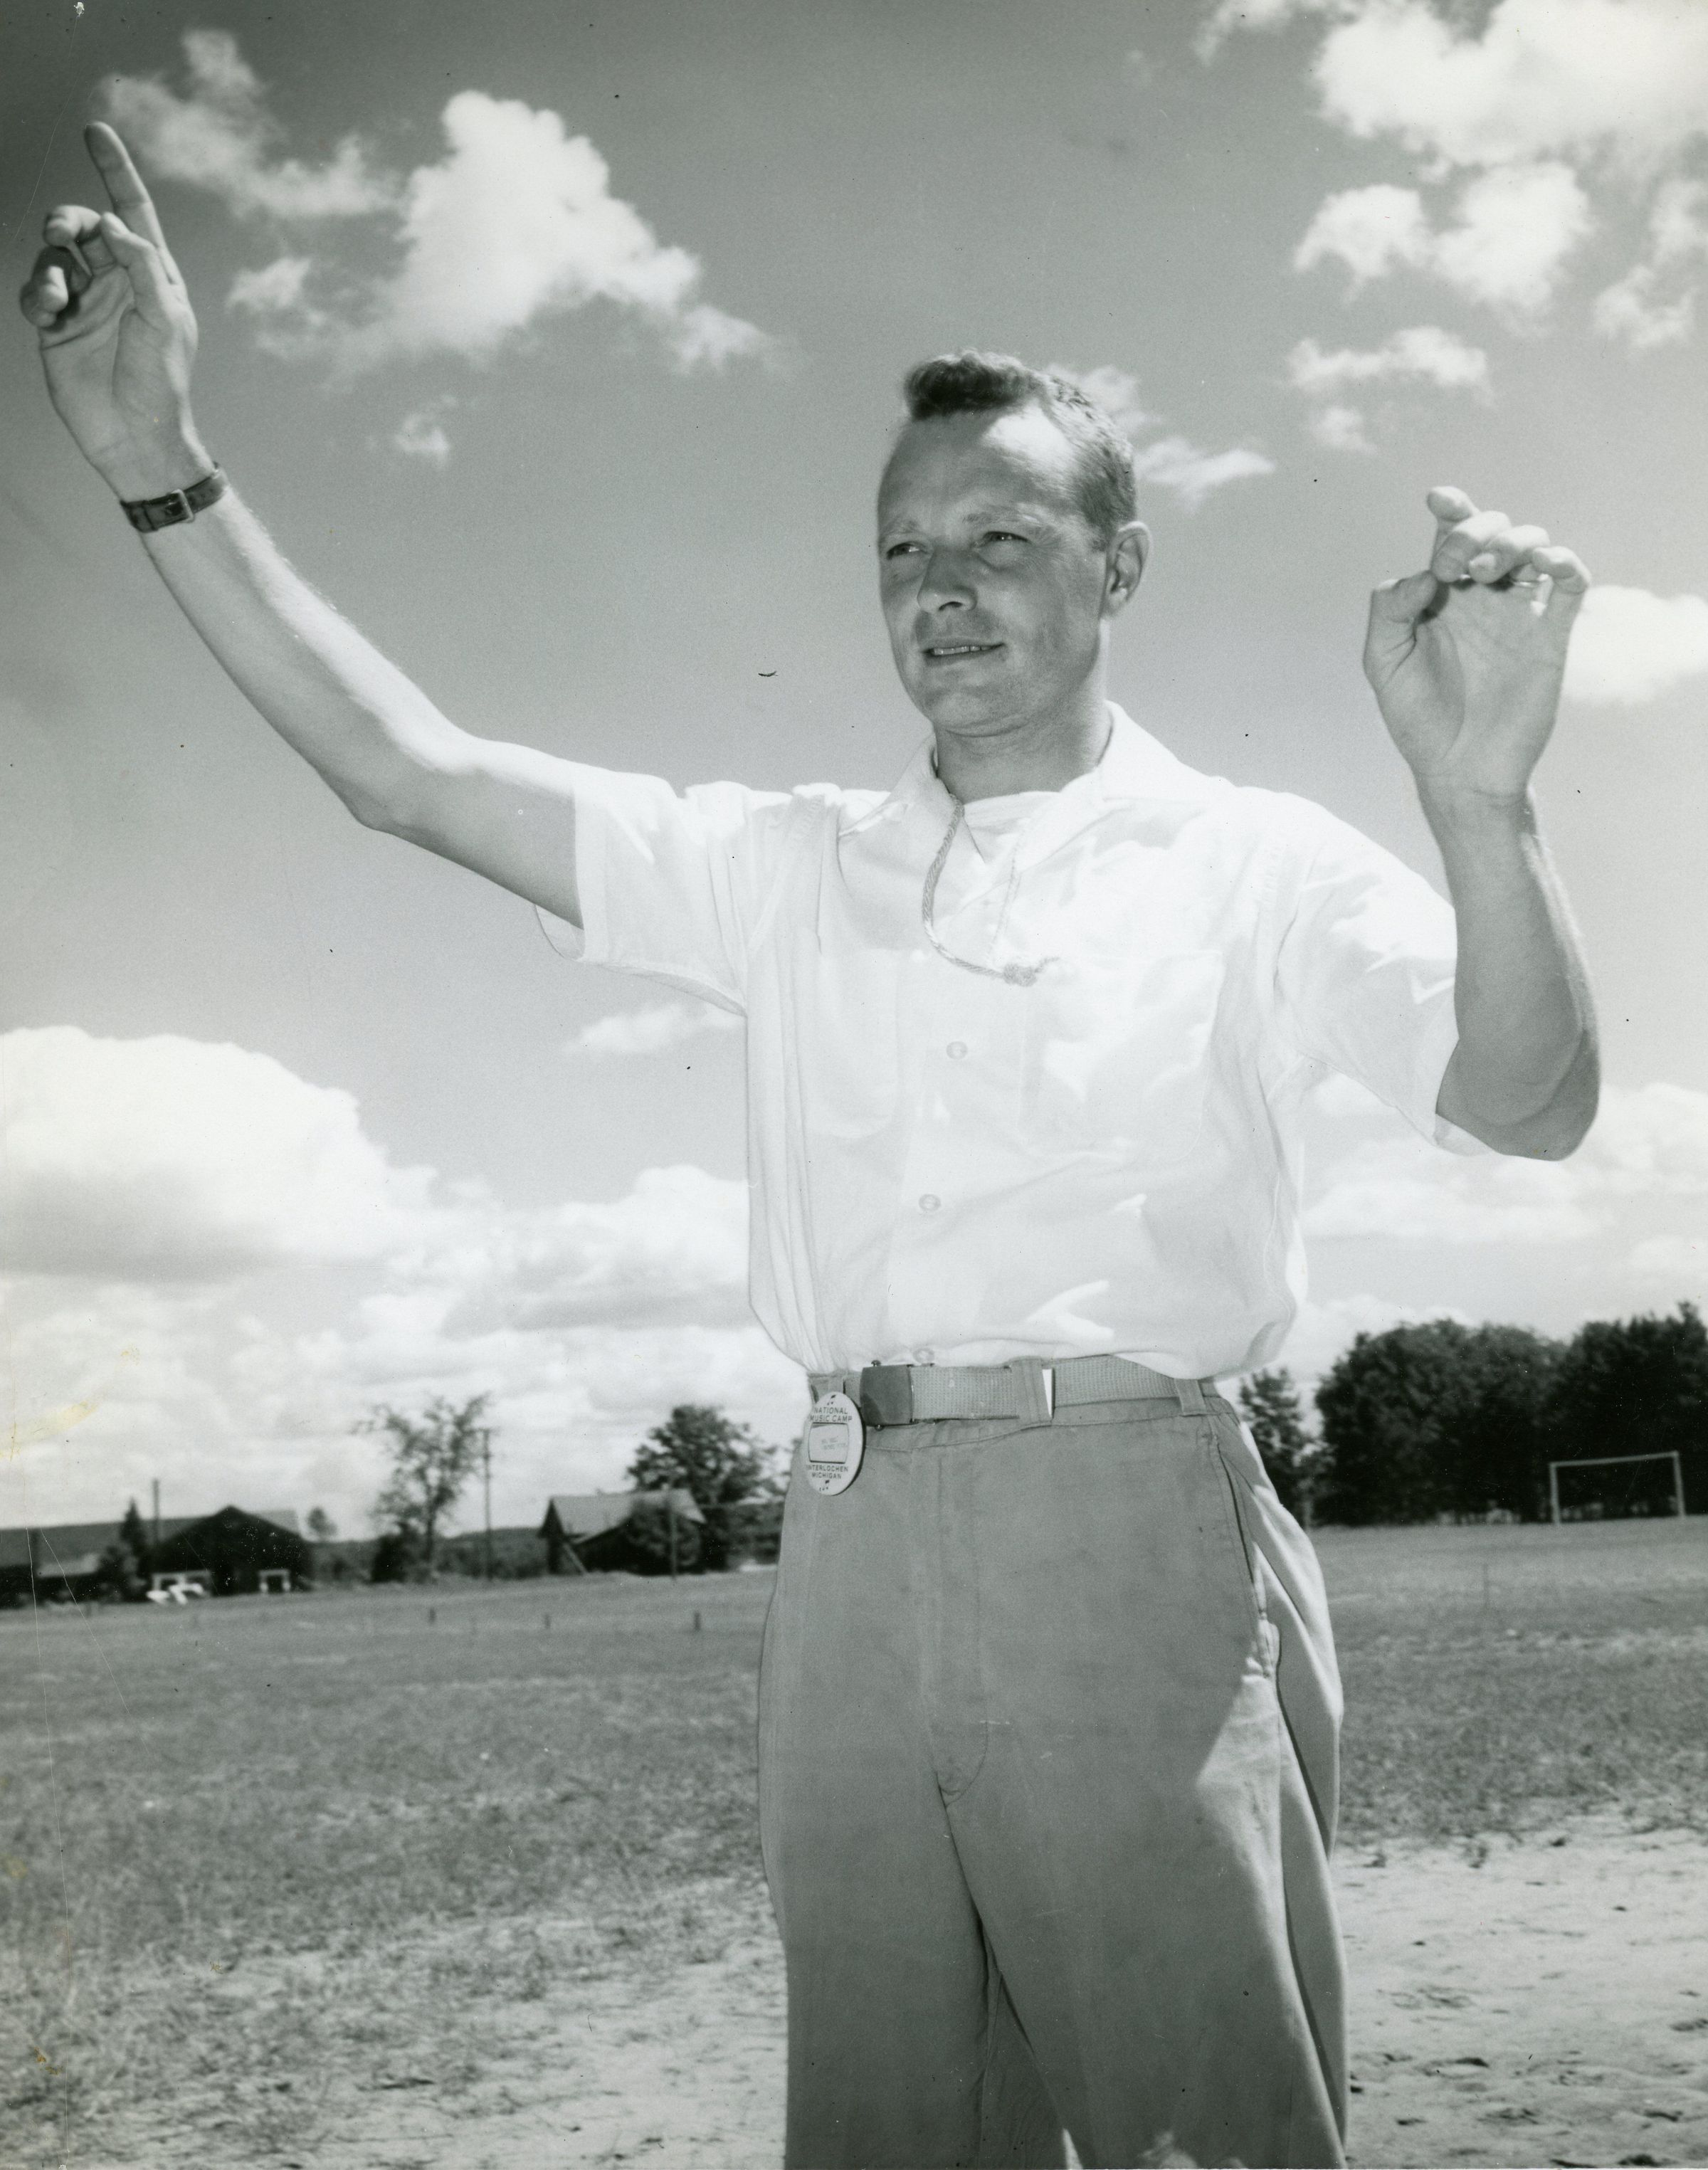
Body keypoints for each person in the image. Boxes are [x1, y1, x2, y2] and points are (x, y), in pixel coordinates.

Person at [21, 125, 1598, 2170]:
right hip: (848, 1545)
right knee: (885, 2132)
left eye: (1002, 536)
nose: (942, 587)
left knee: (1198, 2129)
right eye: (902, 548)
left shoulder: (1253, 862)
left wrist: (1483, 801)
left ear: (1120, 566)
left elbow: (1532, 1098)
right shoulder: (787, 866)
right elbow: (405, 773)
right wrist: (160, 459)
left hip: (1129, 1526)